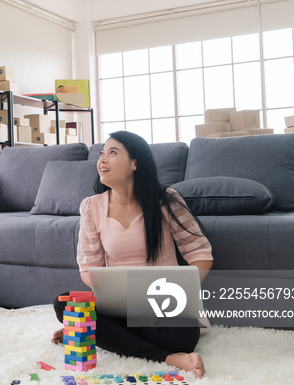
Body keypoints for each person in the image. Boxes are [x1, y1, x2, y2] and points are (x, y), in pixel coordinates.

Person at [52, 131, 213, 378]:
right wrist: (113, 293)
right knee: (66, 304)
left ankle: (96, 333)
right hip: (119, 306)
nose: (102, 160)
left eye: (113, 153)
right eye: (101, 153)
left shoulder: (166, 200)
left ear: (135, 162)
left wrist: (180, 292)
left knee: (183, 335)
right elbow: (88, 267)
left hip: (163, 306)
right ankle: (169, 358)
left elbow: (200, 254)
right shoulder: (91, 206)